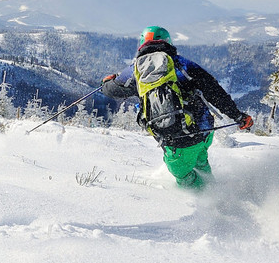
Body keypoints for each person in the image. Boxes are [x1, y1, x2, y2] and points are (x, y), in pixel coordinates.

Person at [101, 25, 254, 190]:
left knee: (185, 178)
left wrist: (106, 82)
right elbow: (215, 92)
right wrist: (238, 116)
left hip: (177, 142)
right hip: (204, 132)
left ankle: (210, 206)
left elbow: (112, 90)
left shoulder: (134, 71)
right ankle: (215, 189)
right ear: (168, 42)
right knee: (200, 161)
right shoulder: (183, 65)